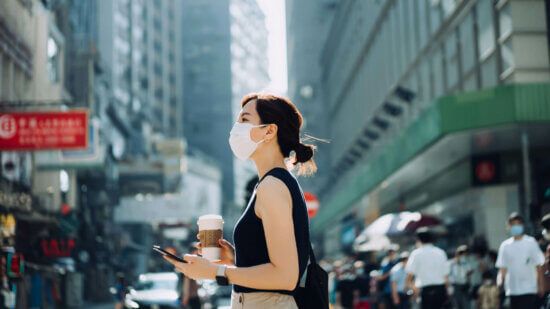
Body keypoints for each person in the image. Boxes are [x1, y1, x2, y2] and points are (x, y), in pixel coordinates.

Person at [163, 93, 317, 309]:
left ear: (269, 131)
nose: (236, 128)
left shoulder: (272, 187)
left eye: (244, 120)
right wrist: (235, 258)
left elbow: (285, 277)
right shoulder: (268, 184)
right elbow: (273, 266)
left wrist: (213, 272)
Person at [496, 212, 545, 309]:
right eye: (513, 224)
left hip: (529, 289)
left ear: (522, 225)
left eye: (518, 224)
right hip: (512, 290)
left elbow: (539, 266)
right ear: (508, 226)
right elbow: (502, 269)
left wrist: (541, 286)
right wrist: (499, 282)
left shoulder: (531, 242)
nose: (516, 227)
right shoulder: (505, 246)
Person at [406, 228, 449, 309]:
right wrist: (447, 291)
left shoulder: (416, 254)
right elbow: (446, 276)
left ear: (418, 240)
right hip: (440, 290)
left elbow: (409, 277)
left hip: (425, 291)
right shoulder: (440, 252)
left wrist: (414, 289)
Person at [182, 245, 202, 309]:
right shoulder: (188, 264)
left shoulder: (192, 264)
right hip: (191, 298)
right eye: (196, 253)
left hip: (194, 296)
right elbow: (186, 282)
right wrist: (186, 297)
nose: (197, 256)